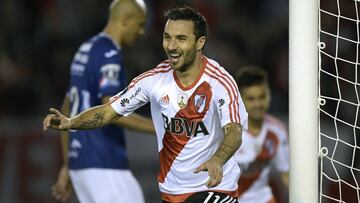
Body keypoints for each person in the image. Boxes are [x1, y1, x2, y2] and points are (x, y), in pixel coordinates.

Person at [44, 7, 248, 203]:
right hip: (173, 191)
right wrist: (70, 122)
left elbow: (234, 131)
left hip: (215, 187)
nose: (172, 46)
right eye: (167, 37)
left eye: (181, 38)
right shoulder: (153, 80)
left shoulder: (220, 82)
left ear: (200, 42)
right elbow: (107, 112)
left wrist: (218, 159)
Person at [50, 0, 155, 203]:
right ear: (126, 20)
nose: (141, 32)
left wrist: (67, 164)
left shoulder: (86, 48)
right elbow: (112, 110)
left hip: (81, 166)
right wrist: (159, 128)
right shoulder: (109, 54)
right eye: (140, 24)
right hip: (104, 162)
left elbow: (66, 107)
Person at [233, 66, 289, 203]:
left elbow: (286, 174)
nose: (258, 104)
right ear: (239, 100)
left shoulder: (277, 130)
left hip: (263, 198)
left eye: (262, 97)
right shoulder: (226, 131)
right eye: (251, 99)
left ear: (269, 96)